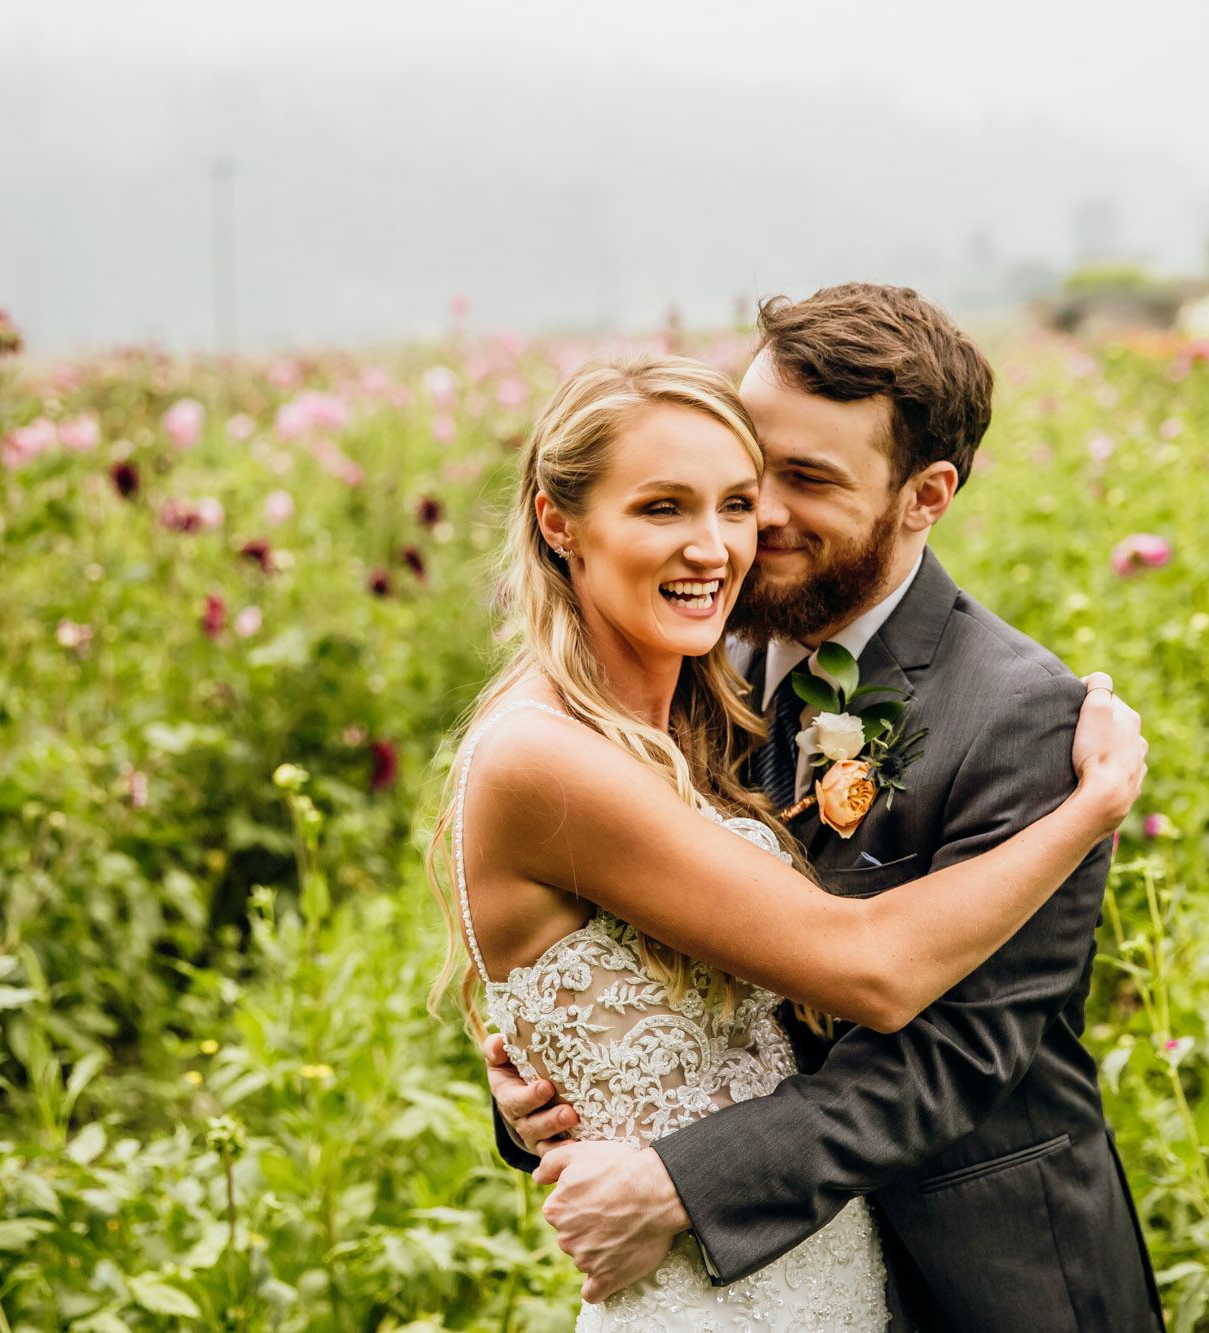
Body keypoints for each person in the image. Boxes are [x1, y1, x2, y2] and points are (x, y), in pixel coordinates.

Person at [487, 285, 1165, 1331]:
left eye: (804, 480)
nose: (752, 516)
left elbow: (948, 1058)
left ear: (924, 494)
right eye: (751, 466)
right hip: (756, 1282)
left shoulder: (1024, 718)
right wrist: (554, 1076)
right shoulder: (698, 658)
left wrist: (677, 1181)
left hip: (980, 1282)